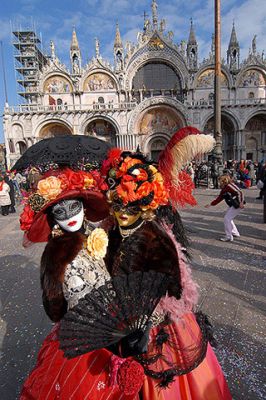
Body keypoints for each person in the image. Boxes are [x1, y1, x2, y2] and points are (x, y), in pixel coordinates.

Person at [102, 145, 232, 399]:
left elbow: (174, 289)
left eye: (131, 207)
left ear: (145, 206)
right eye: (117, 206)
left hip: (156, 326)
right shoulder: (110, 232)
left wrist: (145, 324)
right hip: (119, 318)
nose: (122, 214)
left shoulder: (157, 239)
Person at [19, 166, 142, 400]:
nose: (69, 216)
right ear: (53, 218)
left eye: (74, 207)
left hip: (113, 322)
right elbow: (54, 307)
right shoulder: (55, 253)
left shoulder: (95, 234)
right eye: (60, 211)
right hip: (82, 335)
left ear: (84, 207)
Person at [205, 175, 244, 242]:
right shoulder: (225, 188)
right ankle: (235, 233)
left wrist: (241, 202)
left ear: (223, 181)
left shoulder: (229, 186)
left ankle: (229, 236)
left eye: (220, 181)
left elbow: (240, 192)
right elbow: (219, 198)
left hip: (237, 204)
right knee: (229, 218)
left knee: (227, 218)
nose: (219, 183)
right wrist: (211, 204)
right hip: (234, 205)